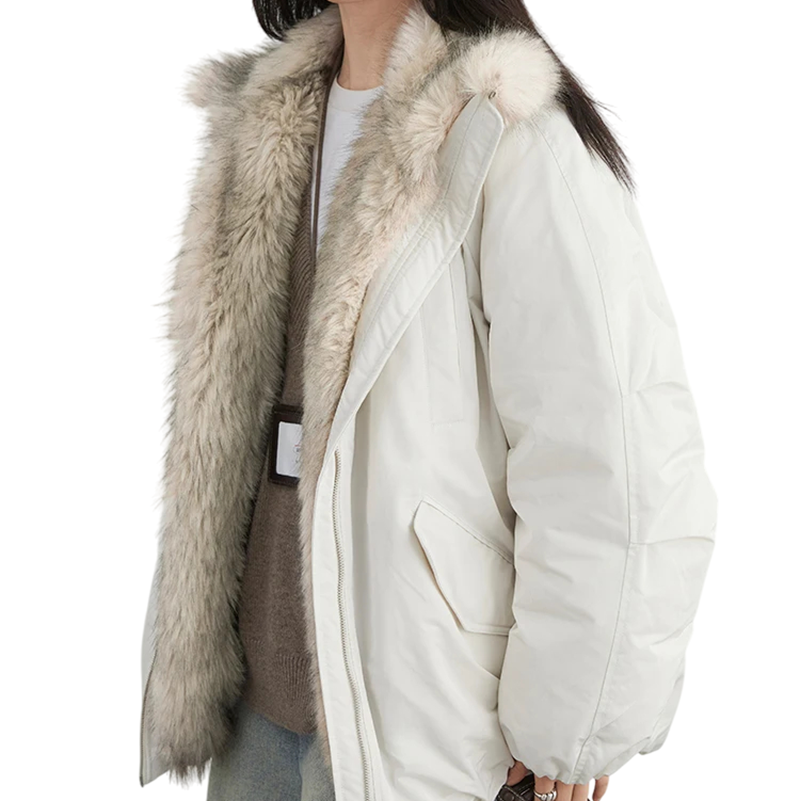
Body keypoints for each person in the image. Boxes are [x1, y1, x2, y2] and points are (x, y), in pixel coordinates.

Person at [138, 1, 718, 800]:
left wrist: (572, 718)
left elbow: (616, 450)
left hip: (424, 726)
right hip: (252, 717)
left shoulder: (507, 131)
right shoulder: (263, 122)